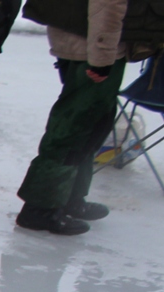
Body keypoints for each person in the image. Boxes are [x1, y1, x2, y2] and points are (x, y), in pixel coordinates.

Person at [16, 0, 164, 234]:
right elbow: (107, 4)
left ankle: (69, 198)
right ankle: (40, 207)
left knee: (94, 122)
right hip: (93, 42)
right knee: (74, 124)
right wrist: (103, 56)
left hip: (91, 37)